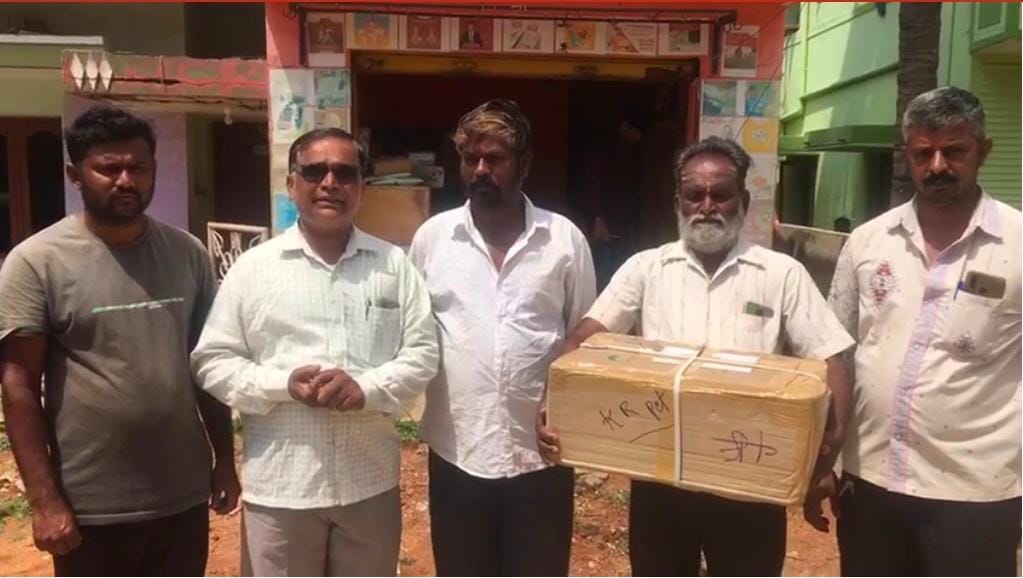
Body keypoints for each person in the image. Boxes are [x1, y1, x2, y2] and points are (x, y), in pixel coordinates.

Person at [540, 136, 855, 576]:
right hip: (660, 481)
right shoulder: (646, 269)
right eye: (694, 195)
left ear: (743, 201)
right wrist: (552, 406)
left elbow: (834, 360)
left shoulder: (782, 275)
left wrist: (823, 462)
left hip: (752, 483)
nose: (707, 206)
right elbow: (584, 340)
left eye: (720, 194)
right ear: (678, 202)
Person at [0, 105, 239, 576]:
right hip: (90, 505)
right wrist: (45, 502)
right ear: (75, 175)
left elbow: (207, 364)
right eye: (109, 169)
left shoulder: (186, 253)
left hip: (182, 495)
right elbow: (18, 384)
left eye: (138, 168)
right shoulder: (36, 263)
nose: (126, 180)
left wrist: (225, 461)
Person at [191, 128, 438, 576]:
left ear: (361, 187)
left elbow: (422, 353)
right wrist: (281, 384)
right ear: (292, 184)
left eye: (344, 173)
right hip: (283, 490)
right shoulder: (253, 269)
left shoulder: (394, 266)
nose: (329, 183)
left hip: (369, 486)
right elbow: (212, 360)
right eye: (314, 172)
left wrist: (366, 388)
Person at [822, 86, 1021, 576]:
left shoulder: (1017, 245)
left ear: (983, 150)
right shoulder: (868, 242)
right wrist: (824, 459)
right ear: (906, 155)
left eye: (954, 151)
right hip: (871, 481)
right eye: (922, 153)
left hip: (977, 493)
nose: (937, 166)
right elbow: (836, 353)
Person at [409, 99, 596, 576]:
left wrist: (565, 409)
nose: (480, 170)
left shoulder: (563, 240)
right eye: (470, 158)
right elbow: (415, 332)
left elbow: (585, 339)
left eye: (494, 159)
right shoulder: (433, 239)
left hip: (541, 457)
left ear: (524, 164)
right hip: (457, 450)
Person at [578, 112, 649, 289]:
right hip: (604, 223)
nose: (637, 138)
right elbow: (593, 187)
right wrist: (598, 218)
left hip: (622, 225)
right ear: (624, 127)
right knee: (603, 273)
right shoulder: (606, 154)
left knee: (621, 273)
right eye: (635, 132)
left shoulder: (632, 154)